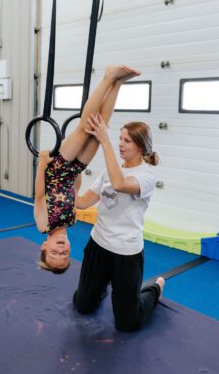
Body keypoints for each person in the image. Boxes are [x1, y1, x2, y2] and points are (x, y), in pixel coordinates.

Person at [34, 65, 141, 274]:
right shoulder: (71, 221)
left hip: (56, 170)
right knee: (100, 129)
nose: (61, 250)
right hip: (73, 170)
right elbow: (73, 192)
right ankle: (117, 84)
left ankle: (108, 77)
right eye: (64, 254)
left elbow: (39, 196)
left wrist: (41, 165)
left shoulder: (43, 225)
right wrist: (77, 172)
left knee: (85, 128)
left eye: (54, 253)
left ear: (44, 246)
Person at [73, 112, 165, 331]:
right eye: (119, 139)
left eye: (127, 140)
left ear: (141, 147)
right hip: (98, 245)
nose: (120, 144)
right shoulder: (110, 170)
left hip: (126, 252)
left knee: (128, 323)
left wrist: (104, 140)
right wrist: (70, 176)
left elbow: (120, 184)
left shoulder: (147, 176)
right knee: (82, 305)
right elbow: (84, 202)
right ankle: (100, 286)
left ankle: (156, 289)